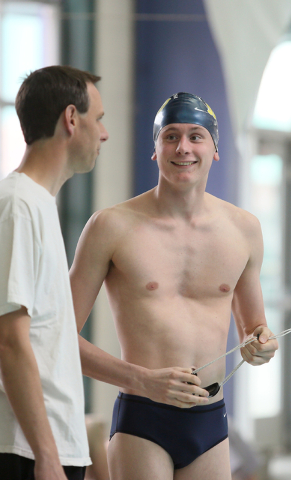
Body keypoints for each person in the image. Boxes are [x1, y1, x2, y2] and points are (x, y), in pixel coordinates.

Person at [69, 92, 279, 480]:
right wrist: (141, 380)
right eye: (170, 136)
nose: (183, 147)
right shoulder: (110, 227)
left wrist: (261, 344)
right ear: (155, 148)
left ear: (215, 148)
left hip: (210, 421)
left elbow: (255, 329)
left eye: (196, 136)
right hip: (142, 420)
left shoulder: (244, 229)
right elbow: (57, 338)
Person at [0, 65, 108, 480]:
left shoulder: (34, 205)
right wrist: (47, 456)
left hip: (34, 449)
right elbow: (11, 343)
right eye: (99, 119)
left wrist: (141, 380)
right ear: (71, 119)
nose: (104, 134)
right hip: (22, 453)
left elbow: (51, 341)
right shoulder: (16, 207)